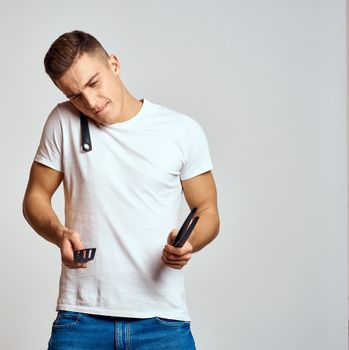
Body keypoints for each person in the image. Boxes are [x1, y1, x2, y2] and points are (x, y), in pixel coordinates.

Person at [22, 30, 220, 350]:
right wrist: (59, 233)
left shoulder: (181, 131)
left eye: (93, 83)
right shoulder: (62, 120)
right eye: (75, 96)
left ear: (114, 64)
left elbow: (207, 209)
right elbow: (35, 197)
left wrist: (189, 243)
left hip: (162, 321)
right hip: (81, 317)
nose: (90, 102)